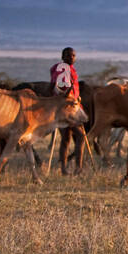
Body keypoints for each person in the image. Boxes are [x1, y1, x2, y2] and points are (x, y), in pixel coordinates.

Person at [49, 47, 85, 175]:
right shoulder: (63, 68)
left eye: (74, 55)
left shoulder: (66, 68)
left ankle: (65, 169)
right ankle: (78, 168)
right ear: (63, 56)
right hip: (67, 109)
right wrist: (68, 96)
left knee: (66, 138)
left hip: (67, 107)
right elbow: (57, 87)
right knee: (80, 136)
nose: (72, 58)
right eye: (69, 55)